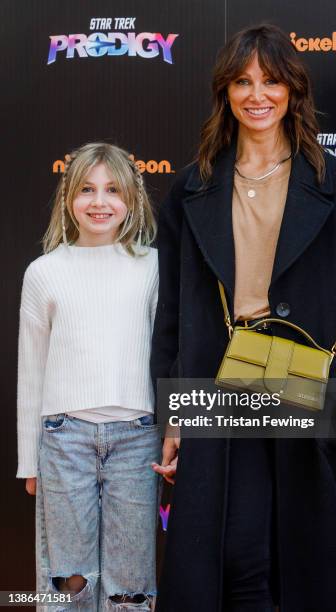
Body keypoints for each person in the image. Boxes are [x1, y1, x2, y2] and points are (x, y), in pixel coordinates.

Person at [150, 24, 336, 612]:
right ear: (225, 92)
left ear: (293, 91)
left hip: (305, 384)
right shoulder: (191, 188)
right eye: (243, 81)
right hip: (218, 384)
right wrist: (173, 416)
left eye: (272, 80)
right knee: (236, 556)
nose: (258, 94)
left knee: (300, 558)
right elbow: (173, 317)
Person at [17, 142, 160, 611]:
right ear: (67, 197)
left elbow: (170, 355)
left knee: (130, 582)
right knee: (68, 581)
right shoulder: (44, 272)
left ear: (132, 200)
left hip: (138, 439)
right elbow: (31, 371)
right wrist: (28, 460)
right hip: (63, 441)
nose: (100, 202)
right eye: (87, 189)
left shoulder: (154, 267)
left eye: (112, 189)